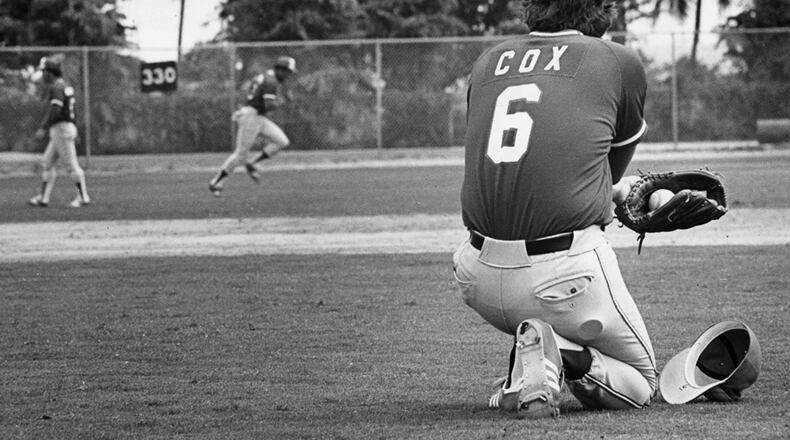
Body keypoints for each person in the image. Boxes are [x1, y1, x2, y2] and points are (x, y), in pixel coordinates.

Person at [452, 0, 655, 416]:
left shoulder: (488, 59)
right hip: (562, 278)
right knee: (642, 382)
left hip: (476, 277)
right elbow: (604, 175)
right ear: (601, 9)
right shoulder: (619, 61)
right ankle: (560, 351)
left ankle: (526, 368)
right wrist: (623, 192)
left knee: (535, 296)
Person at [208, 56, 297, 196]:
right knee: (240, 154)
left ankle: (253, 163)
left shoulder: (265, 76)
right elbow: (268, 106)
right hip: (251, 117)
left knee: (282, 141)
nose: (288, 75)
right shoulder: (271, 81)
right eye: (288, 72)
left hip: (257, 116)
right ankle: (216, 182)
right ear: (280, 69)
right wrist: (284, 101)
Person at [28, 56, 91, 208]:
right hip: (65, 127)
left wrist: (43, 127)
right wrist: (73, 129)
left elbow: (55, 110)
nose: (43, 74)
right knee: (47, 162)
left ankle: (83, 197)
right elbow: (71, 111)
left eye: (44, 71)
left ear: (51, 72)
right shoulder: (64, 85)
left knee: (71, 166)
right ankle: (43, 198)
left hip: (61, 128)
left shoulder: (56, 87)